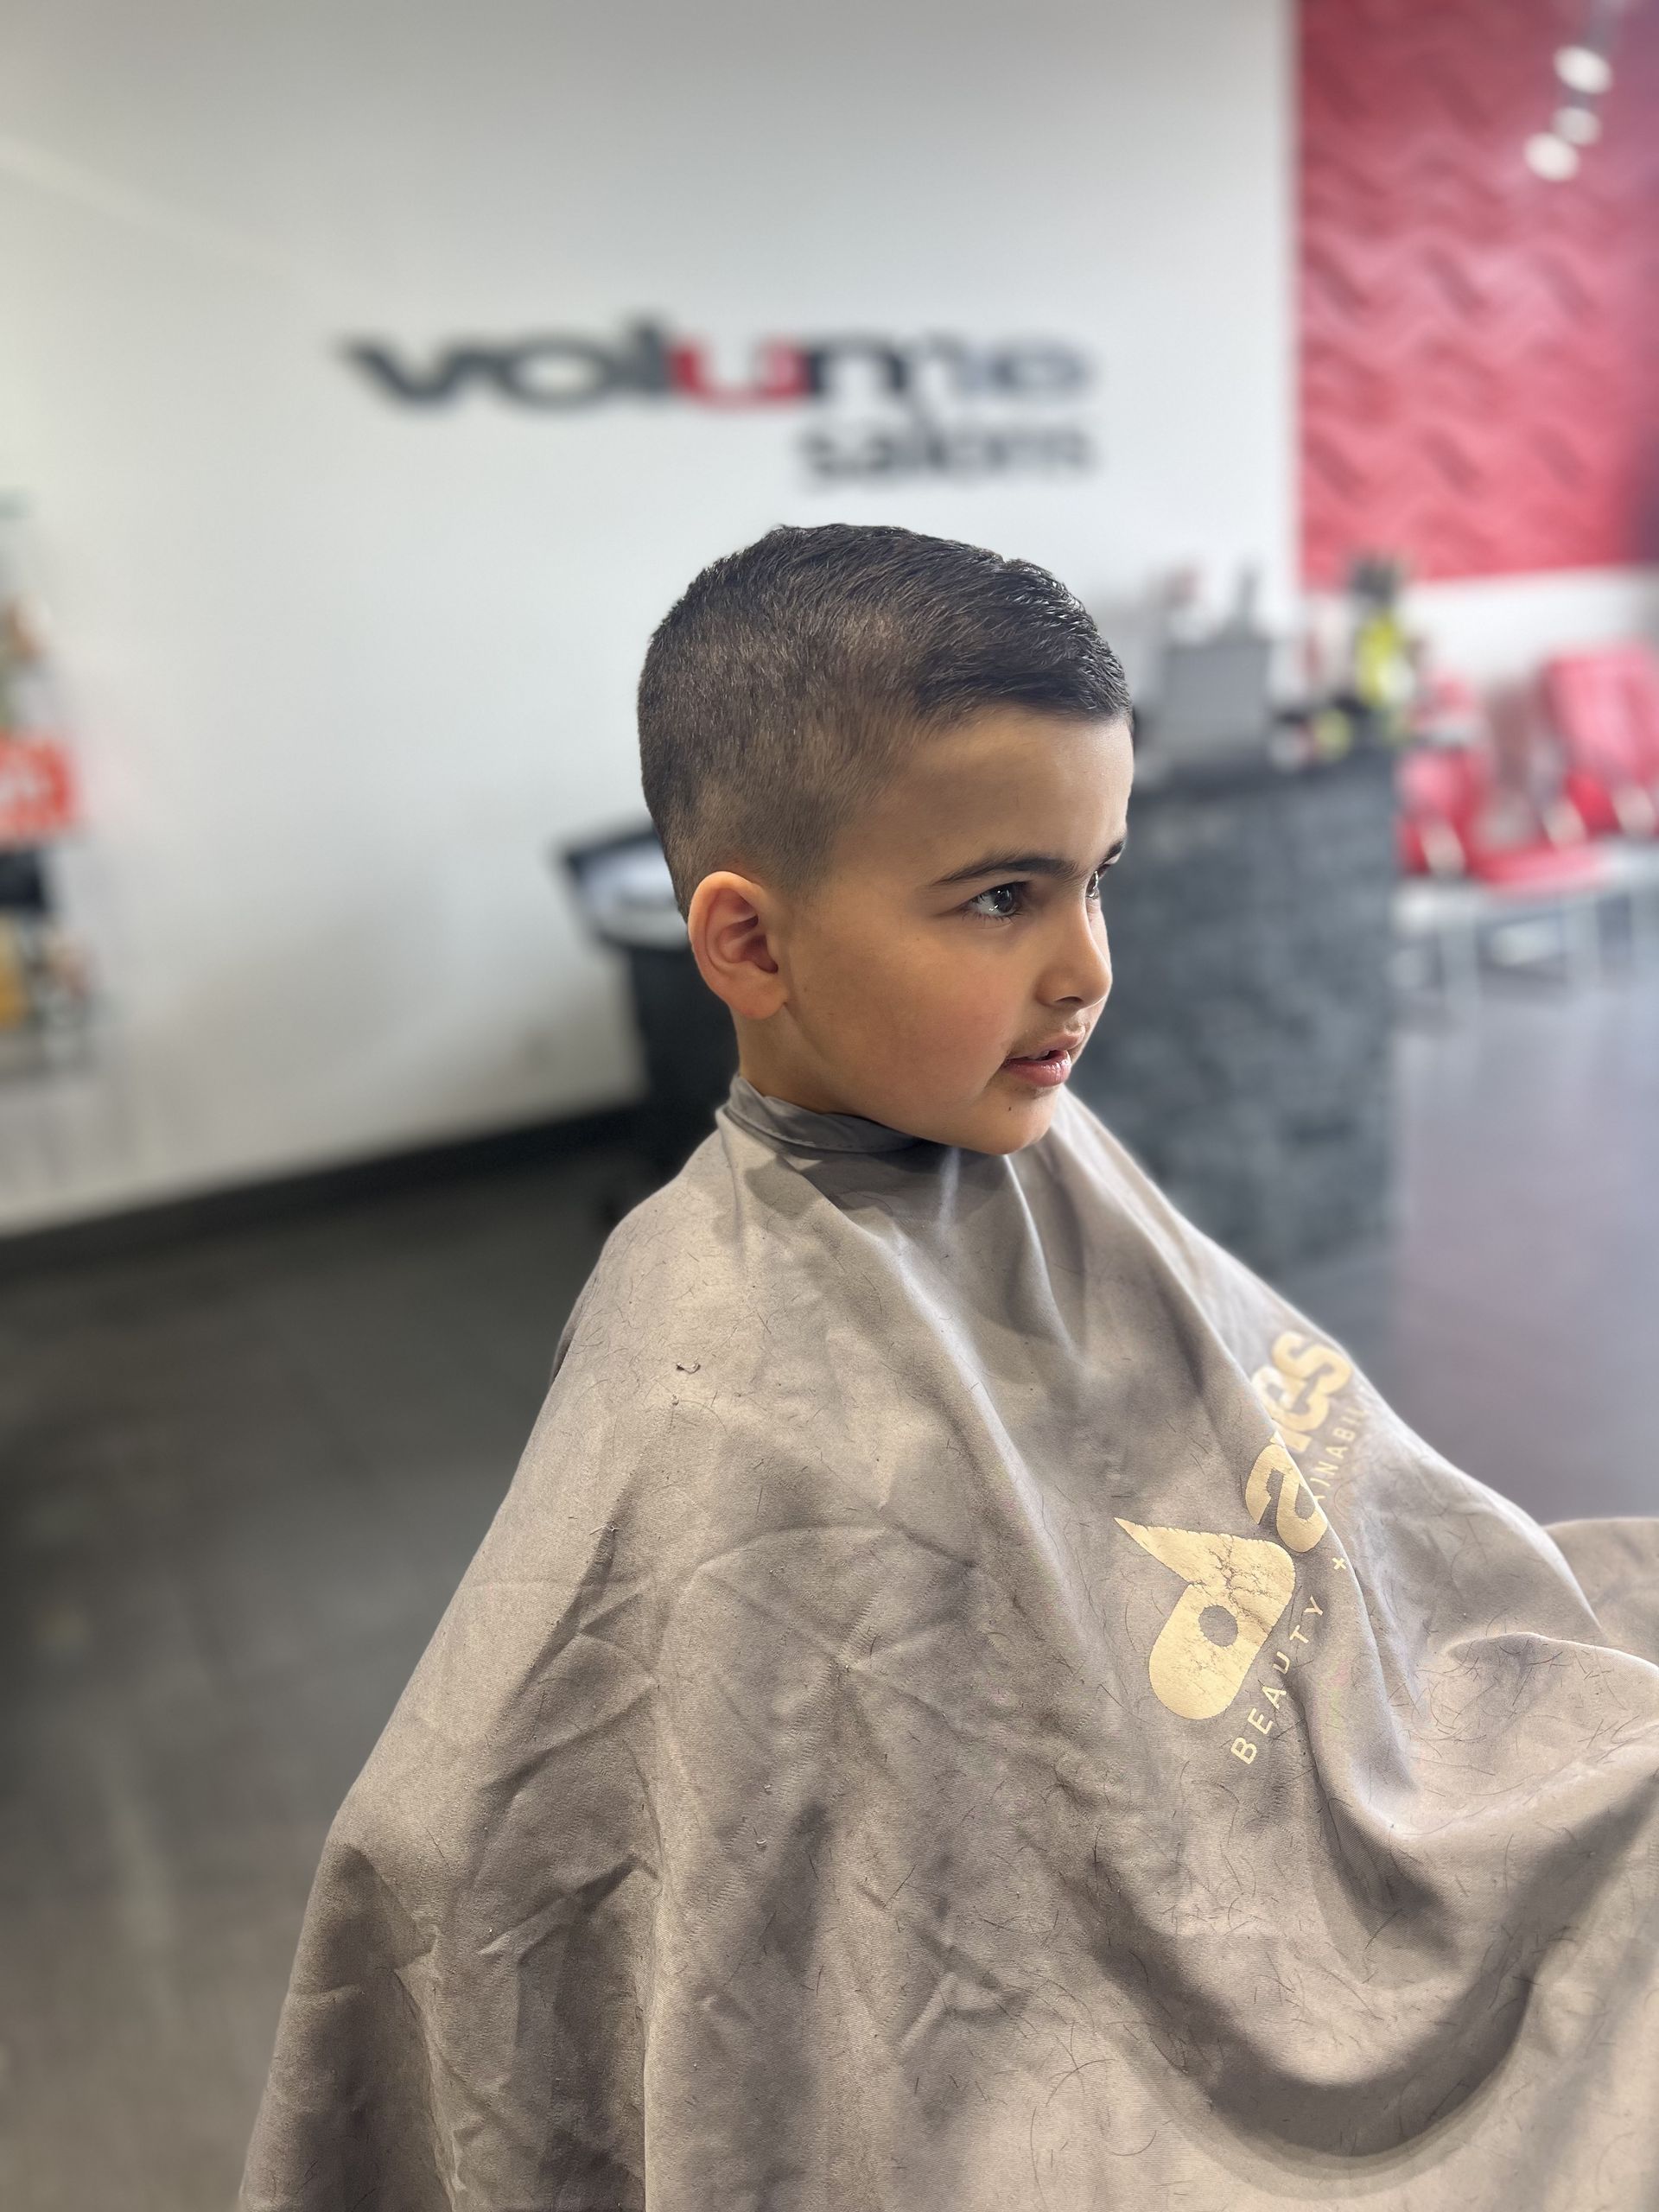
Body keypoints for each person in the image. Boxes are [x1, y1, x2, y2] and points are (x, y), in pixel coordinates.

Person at [239, 526, 1659, 2212]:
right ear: (750, 945)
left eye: (1097, 873)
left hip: (1347, 1822)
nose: (1088, 966)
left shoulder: (1026, 1139)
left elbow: (1378, 1533)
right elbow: (453, 1869)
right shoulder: (713, 1399)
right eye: (1003, 895)